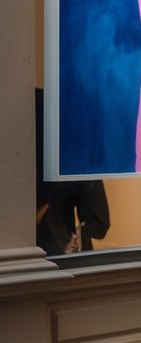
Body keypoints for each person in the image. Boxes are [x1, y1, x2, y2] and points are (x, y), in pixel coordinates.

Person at [35, 88, 111, 254]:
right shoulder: (75, 155)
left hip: (32, 257)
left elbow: (99, 222)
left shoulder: (74, 156)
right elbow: (99, 222)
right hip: (62, 258)